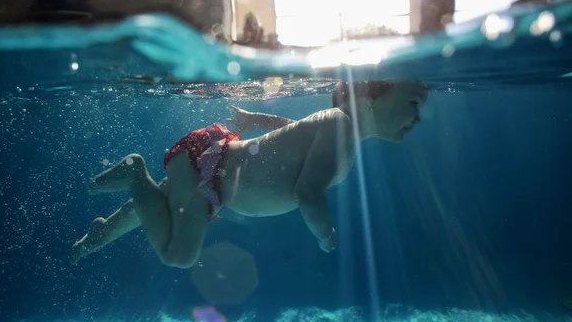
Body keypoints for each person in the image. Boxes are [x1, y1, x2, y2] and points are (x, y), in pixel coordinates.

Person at [71, 79, 429, 268]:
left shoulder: (337, 134)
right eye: (414, 101)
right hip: (208, 169)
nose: (418, 116)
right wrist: (324, 234)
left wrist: (255, 120)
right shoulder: (337, 124)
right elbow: (308, 193)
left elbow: (292, 128)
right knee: (178, 255)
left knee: (164, 199)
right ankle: (135, 174)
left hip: (210, 167)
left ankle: (103, 231)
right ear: (371, 95)